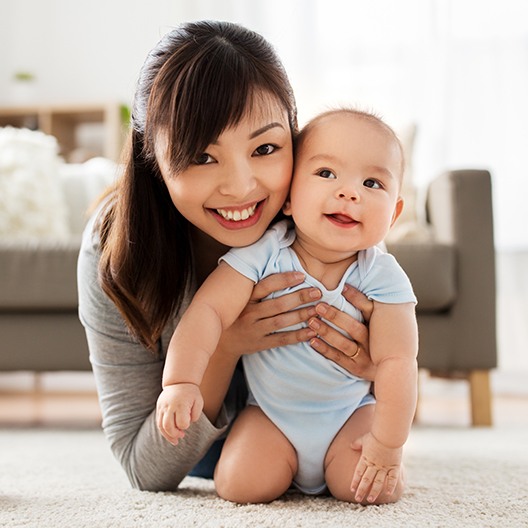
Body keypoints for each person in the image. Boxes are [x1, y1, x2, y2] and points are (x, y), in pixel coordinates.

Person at [77, 20, 376, 493]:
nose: (240, 186)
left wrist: (375, 365)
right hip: (210, 459)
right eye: (201, 156)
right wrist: (222, 346)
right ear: (151, 155)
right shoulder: (115, 252)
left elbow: (386, 391)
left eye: (265, 148)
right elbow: (145, 469)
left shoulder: (332, 217)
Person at [157, 108, 419, 505]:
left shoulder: (381, 275)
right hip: (271, 416)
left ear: (394, 214)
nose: (350, 193)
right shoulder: (264, 252)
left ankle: (357, 460)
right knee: (238, 486)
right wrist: (180, 381)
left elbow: (400, 361)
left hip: (349, 414)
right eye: (326, 174)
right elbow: (208, 312)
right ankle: (285, 466)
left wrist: (387, 443)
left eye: (372, 183)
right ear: (290, 198)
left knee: (372, 488)